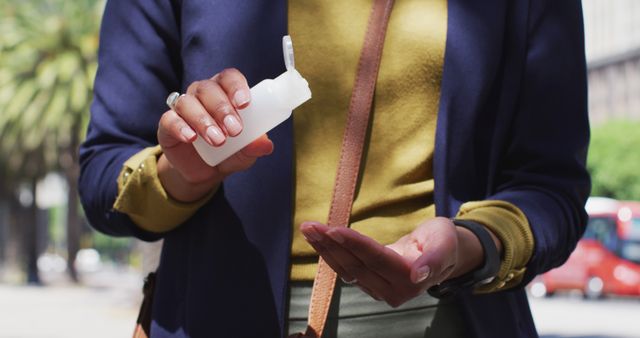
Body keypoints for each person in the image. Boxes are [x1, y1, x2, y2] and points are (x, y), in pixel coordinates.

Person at [79, 0, 590, 337]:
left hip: (447, 319)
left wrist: (473, 243)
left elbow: (551, 186)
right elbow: (104, 178)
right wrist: (183, 172)